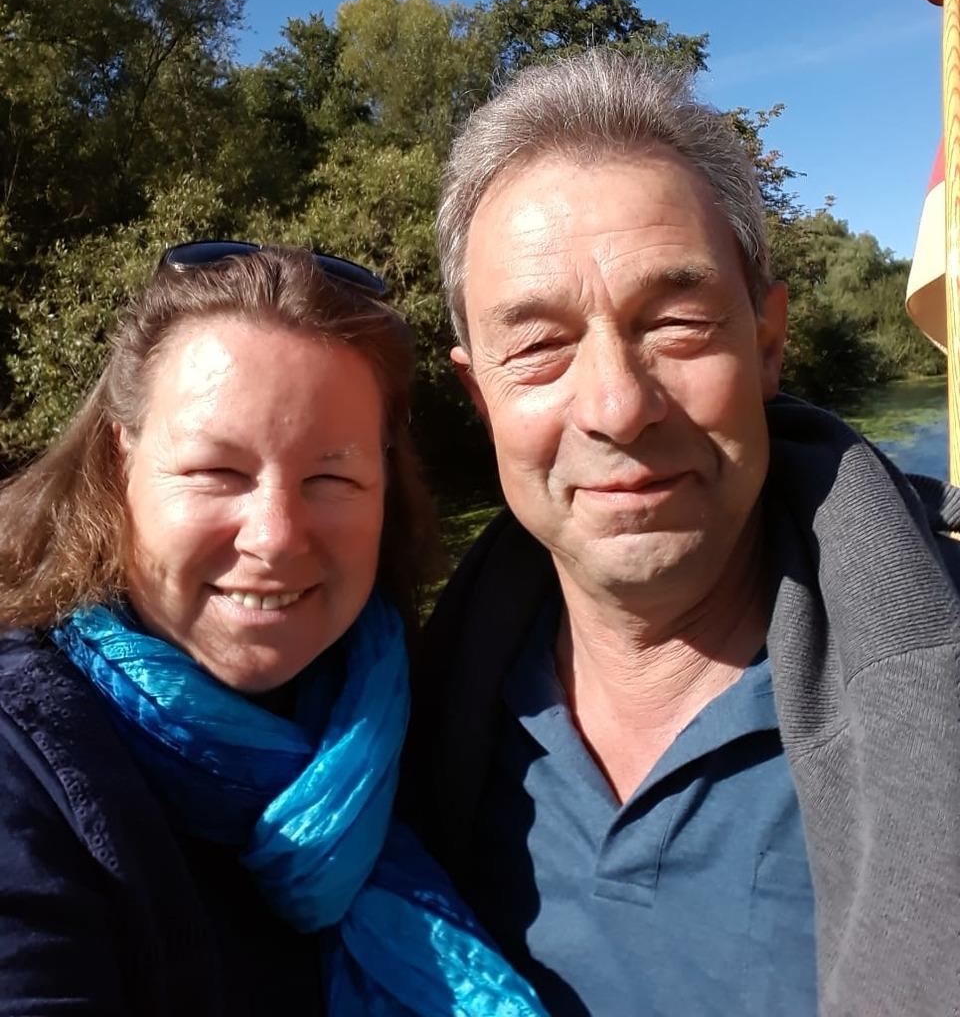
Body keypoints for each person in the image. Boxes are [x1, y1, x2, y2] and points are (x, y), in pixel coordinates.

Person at [409, 50, 960, 1017]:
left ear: (768, 342)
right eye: (537, 346)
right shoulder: (389, 725)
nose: (618, 406)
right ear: (478, 395)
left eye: (676, 323)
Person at [0, 242, 547, 1017]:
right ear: (121, 461)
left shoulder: (438, 718)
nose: (276, 537)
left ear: (386, 487)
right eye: (216, 472)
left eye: (331, 477)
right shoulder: (30, 759)